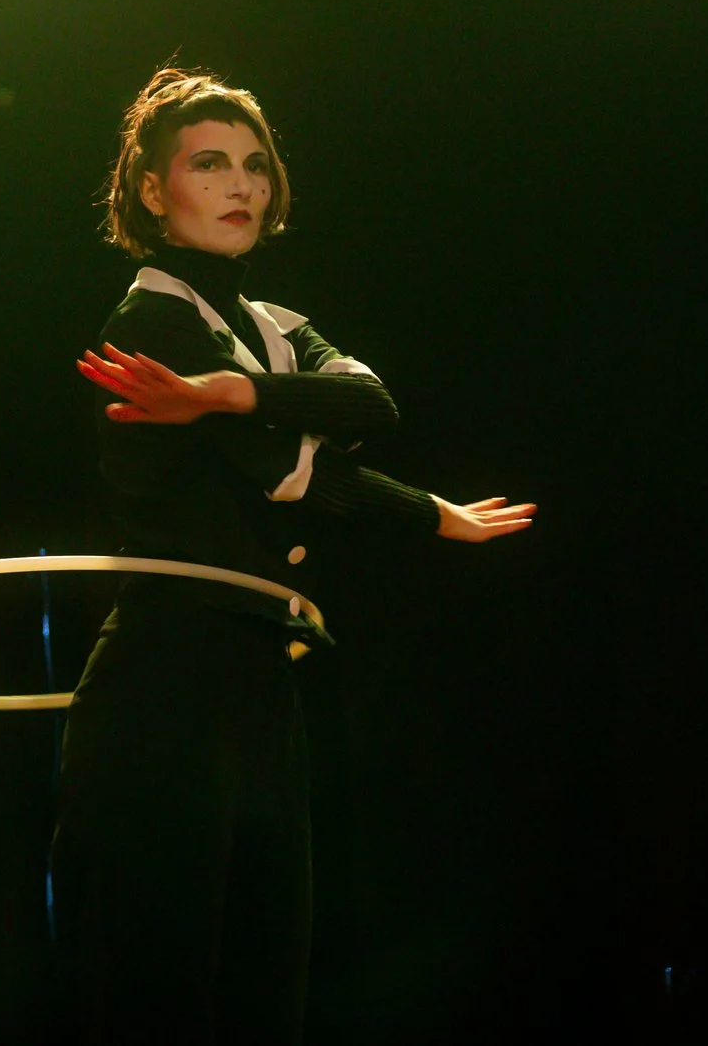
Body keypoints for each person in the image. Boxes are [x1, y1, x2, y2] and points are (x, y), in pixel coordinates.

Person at [52, 66, 534, 1043]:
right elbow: (290, 469)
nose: (240, 184)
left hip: (259, 681)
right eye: (208, 163)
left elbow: (372, 404)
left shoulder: (275, 328)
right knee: (160, 980)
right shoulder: (148, 321)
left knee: (268, 977)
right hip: (166, 673)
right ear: (153, 190)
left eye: (254, 164)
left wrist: (229, 393)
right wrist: (428, 512)